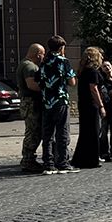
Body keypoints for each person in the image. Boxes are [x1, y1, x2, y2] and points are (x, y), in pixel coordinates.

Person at [36, 35, 77, 173]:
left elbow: (38, 80)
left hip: (47, 101)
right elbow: (72, 82)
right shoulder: (63, 61)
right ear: (61, 48)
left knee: (47, 134)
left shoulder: (44, 62)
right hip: (60, 100)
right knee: (62, 132)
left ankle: (48, 163)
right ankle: (62, 162)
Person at [71, 47, 107, 169]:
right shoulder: (92, 72)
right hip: (91, 105)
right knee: (93, 131)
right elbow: (94, 89)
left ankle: (81, 158)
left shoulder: (83, 71)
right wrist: (101, 105)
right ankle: (92, 159)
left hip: (83, 104)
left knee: (85, 132)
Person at [16, 43, 46, 173]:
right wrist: (47, 87)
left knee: (33, 131)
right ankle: (28, 160)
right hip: (31, 103)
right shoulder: (30, 67)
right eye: (42, 54)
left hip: (29, 103)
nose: (43, 57)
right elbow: (32, 85)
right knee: (33, 132)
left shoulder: (25, 64)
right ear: (38, 54)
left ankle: (28, 159)